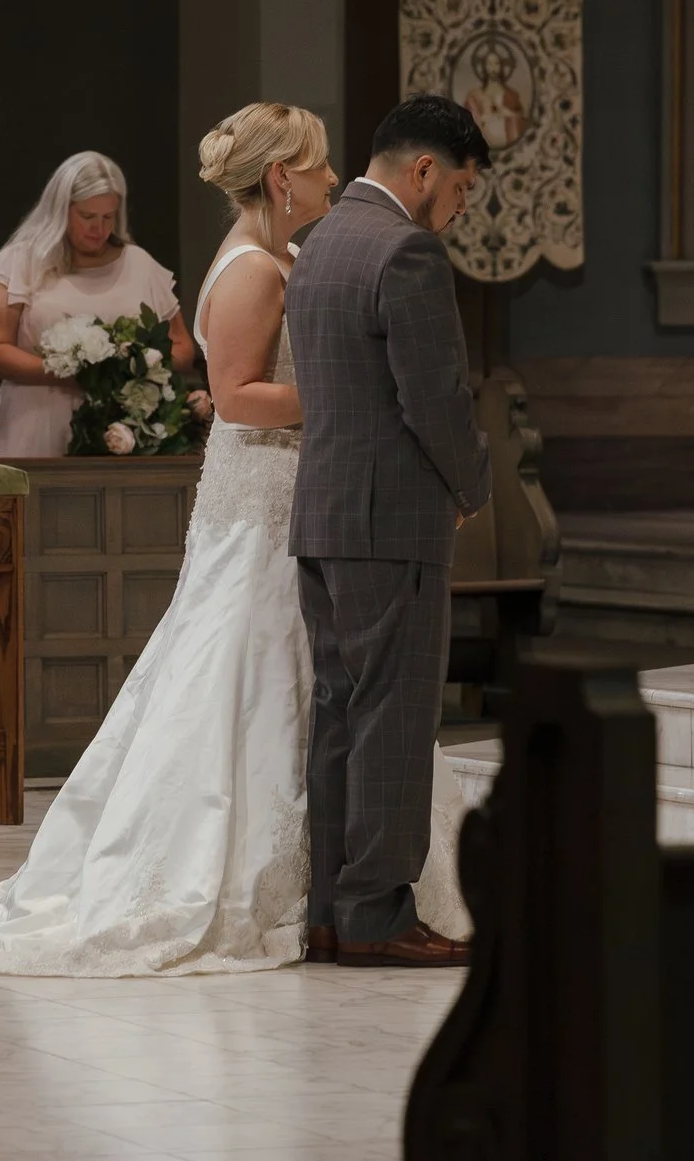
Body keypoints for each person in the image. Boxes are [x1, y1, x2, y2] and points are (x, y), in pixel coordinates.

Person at [0, 102, 472, 976]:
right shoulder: (254, 269)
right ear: (281, 177)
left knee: (311, 693)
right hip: (274, 488)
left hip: (295, 489)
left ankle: (329, 892)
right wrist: (353, 401)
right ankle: (314, 891)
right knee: (268, 685)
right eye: (319, 167)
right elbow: (240, 392)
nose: (332, 180)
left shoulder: (297, 258)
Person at [286, 93, 491, 967]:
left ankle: (331, 908)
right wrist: (474, 486)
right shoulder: (406, 250)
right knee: (395, 720)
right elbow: (433, 399)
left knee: (341, 713)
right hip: (391, 518)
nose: (459, 208)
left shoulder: (322, 240)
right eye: (462, 188)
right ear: (423, 170)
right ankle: (376, 912)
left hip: (325, 511)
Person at [0, 151, 194, 458]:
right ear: (60, 210)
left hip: (119, 424)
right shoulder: (21, 262)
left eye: (108, 217)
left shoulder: (139, 265)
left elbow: (182, 347)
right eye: (87, 217)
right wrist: (66, 373)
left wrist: (132, 367)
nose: (99, 228)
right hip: (34, 417)